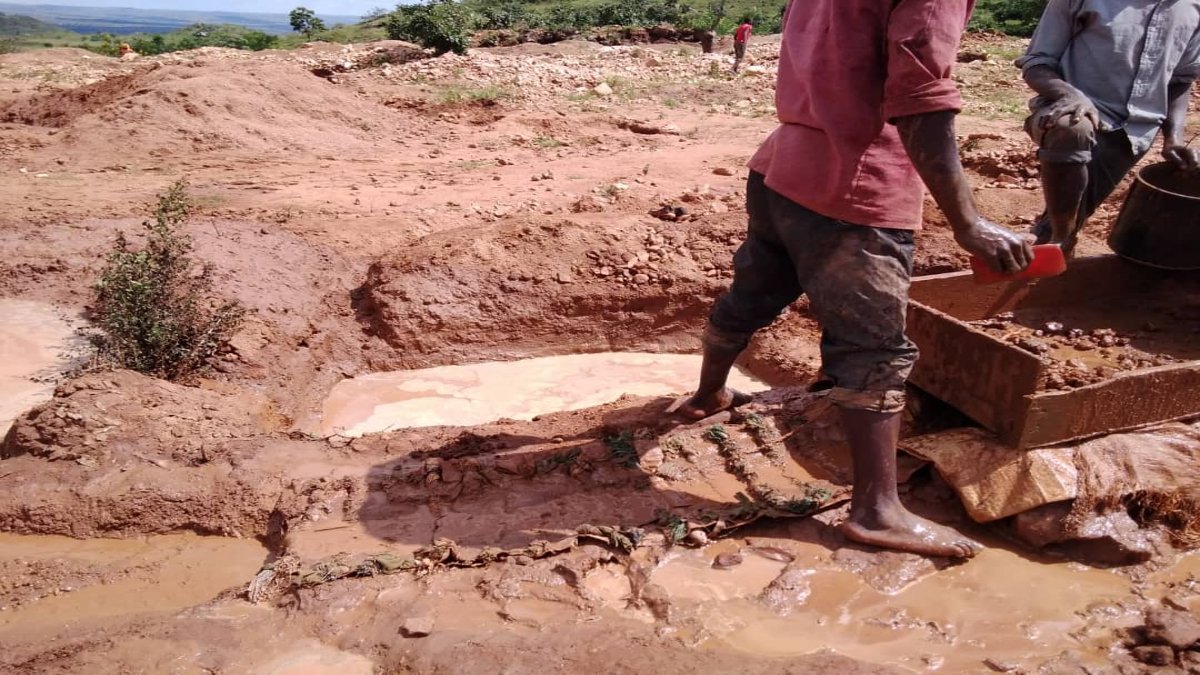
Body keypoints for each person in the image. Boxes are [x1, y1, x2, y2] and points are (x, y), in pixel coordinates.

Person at [678, 0, 1032, 559]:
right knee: (873, 349)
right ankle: (876, 511)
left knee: (753, 291)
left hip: (783, 166)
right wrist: (969, 223)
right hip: (856, 182)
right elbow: (920, 101)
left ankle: (707, 395)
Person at [1017, 0, 1200, 256]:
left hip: (1135, 131)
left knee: (1073, 213)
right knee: (1072, 129)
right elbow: (1037, 63)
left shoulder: (1192, 8)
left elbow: (1181, 80)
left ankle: (1053, 247)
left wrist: (1174, 139)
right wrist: (1071, 95)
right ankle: (1056, 243)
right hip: (1068, 111)